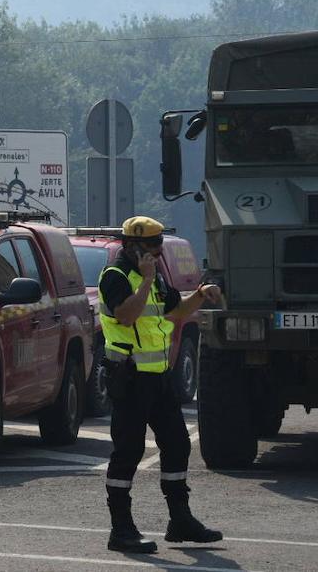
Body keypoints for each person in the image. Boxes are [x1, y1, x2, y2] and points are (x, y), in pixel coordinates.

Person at [99, 216, 224, 554]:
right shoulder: (116, 277)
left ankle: (180, 521)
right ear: (132, 246)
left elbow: (175, 311)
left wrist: (200, 294)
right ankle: (121, 530)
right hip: (129, 378)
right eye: (152, 246)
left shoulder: (154, 279)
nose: (158, 251)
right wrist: (146, 280)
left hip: (157, 378)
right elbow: (127, 315)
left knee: (178, 444)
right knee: (128, 453)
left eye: (159, 245)